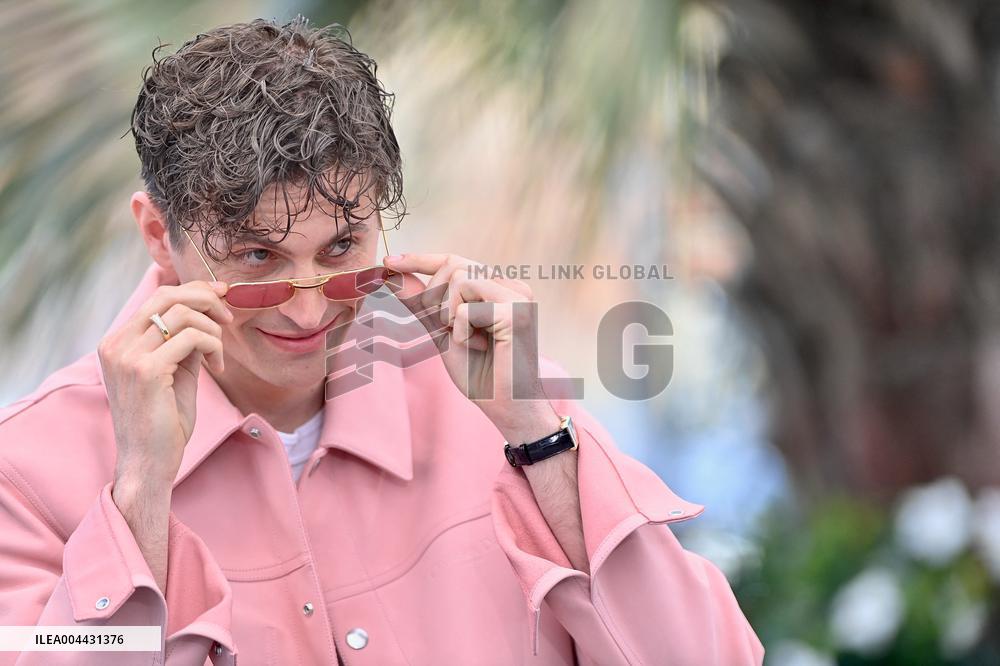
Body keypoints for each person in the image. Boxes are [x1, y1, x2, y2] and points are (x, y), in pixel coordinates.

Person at [0, 16, 764, 666]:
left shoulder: (503, 401)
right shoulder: (30, 469)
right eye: (257, 258)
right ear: (159, 237)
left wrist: (539, 440)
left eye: (341, 251)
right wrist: (138, 496)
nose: (306, 314)